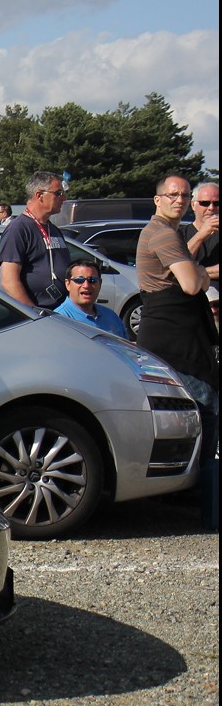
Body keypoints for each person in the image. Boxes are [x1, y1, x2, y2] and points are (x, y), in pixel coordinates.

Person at [137, 174, 218, 529]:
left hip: (181, 336)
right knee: (204, 413)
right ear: (158, 200)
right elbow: (191, 283)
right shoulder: (164, 234)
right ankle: (204, 508)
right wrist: (201, 274)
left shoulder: (170, 233)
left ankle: (197, 503)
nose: (179, 200)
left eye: (184, 195)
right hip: (176, 340)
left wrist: (198, 271)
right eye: (173, 195)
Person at [0, 171, 71, 308]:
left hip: (61, 312)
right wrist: (33, 313)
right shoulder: (18, 229)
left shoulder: (53, 229)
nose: (64, 198)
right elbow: (9, 281)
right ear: (39, 195)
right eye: (58, 193)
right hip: (40, 313)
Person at [52, 258, 126, 337]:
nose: (86, 286)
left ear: (100, 283)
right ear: (68, 284)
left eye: (92, 280)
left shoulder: (111, 316)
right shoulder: (59, 320)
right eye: (79, 280)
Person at [182, 181, 219, 286]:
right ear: (193, 205)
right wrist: (201, 234)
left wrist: (195, 272)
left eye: (217, 203)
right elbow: (181, 263)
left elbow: (183, 271)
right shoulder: (180, 234)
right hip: (190, 297)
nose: (211, 208)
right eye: (204, 203)